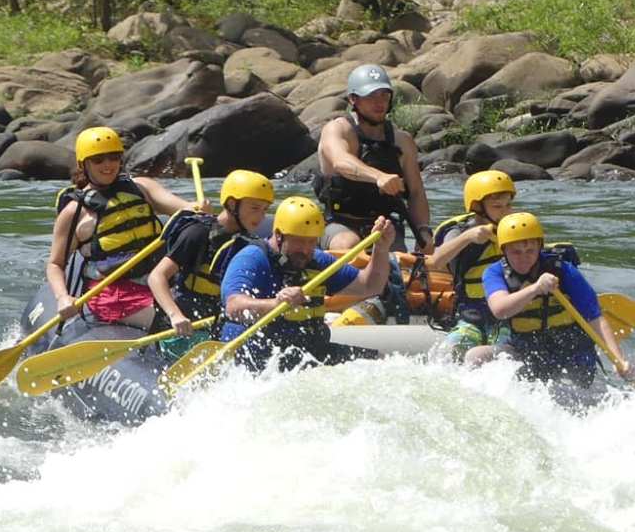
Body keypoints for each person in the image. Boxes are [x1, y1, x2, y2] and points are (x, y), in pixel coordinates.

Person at [45, 126, 198, 331]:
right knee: (178, 320)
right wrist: (62, 297)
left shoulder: (141, 187)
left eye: (113, 157)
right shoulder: (75, 212)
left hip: (159, 283)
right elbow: (55, 263)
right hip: (114, 295)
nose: (108, 165)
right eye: (98, 160)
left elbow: (182, 208)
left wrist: (196, 208)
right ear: (84, 165)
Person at [217, 194, 393, 370]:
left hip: (307, 350)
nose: (306, 249)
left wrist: (381, 248)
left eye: (311, 241)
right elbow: (234, 307)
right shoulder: (252, 258)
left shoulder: (317, 261)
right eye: (299, 241)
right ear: (279, 235)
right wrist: (275, 303)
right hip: (257, 355)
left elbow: (370, 285)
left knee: (380, 365)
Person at [313, 63, 430, 320]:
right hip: (340, 223)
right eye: (371, 96)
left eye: (384, 95)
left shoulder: (402, 141)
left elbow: (417, 194)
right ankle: (344, 306)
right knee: (349, 245)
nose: (379, 102)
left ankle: (396, 309)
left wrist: (424, 231)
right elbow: (341, 162)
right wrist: (377, 177)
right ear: (353, 100)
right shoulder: (338, 130)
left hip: (385, 227)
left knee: (401, 261)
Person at [485, 211, 633, 394]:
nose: (523, 257)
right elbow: (500, 310)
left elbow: (595, 319)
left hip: (571, 351)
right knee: (474, 357)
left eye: (530, 250)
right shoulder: (494, 273)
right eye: (516, 252)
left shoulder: (563, 271)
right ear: (503, 250)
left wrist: (619, 361)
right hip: (527, 349)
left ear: (539, 247)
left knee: (564, 393)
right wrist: (536, 288)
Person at [146, 168, 274, 355]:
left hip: (216, 324)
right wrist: (175, 315)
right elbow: (157, 277)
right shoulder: (198, 233)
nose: (261, 216)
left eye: (264, 209)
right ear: (232, 204)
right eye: (254, 208)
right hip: (183, 326)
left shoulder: (249, 245)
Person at [426, 169, 517, 365]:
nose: (506, 211)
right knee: (447, 353)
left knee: (498, 356)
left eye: (509, 205)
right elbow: (436, 261)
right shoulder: (459, 231)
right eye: (497, 206)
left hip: (507, 318)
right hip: (471, 317)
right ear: (477, 207)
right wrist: (468, 238)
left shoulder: (514, 229)